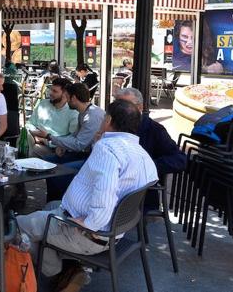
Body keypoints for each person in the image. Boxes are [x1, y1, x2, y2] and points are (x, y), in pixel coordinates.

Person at [17, 99, 158, 290]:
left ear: (108, 120)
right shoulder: (142, 154)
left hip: (87, 235)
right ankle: (72, 268)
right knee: (49, 208)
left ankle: (61, 273)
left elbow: (104, 199)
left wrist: (89, 224)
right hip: (114, 232)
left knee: (16, 227)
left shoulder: (108, 150)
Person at [114, 88, 186, 208]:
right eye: (118, 106)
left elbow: (179, 160)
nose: (120, 111)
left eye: (126, 106)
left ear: (140, 107)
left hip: (137, 194)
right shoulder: (113, 125)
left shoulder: (154, 129)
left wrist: (147, 166)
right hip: (111, 185)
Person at [30, 83, 105, 164]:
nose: (66, 101)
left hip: (94, 158)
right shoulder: (83, 112)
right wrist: (62, 146)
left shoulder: (92, 116)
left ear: (73, 98)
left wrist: (49, 136)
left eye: (67, 97)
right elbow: (75, 135)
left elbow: (78, 145)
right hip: (85, 154)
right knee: (44, 161)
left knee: (59, 169)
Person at [26, 78, 78, 158]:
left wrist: (47, 141)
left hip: (55, 147)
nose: (50, 93)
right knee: (25, 136)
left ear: (65, 94)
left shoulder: (72, 112)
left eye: (55, 91)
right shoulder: (43, 104)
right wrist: (35, 134)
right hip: (35, 138)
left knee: (32, 150)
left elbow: (72, 138)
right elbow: (29, 124)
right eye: (51, 90)